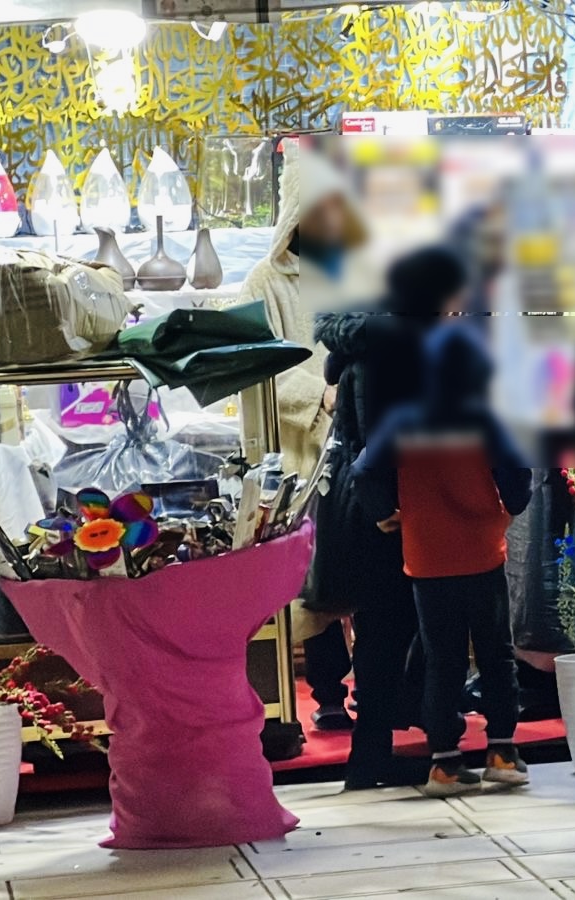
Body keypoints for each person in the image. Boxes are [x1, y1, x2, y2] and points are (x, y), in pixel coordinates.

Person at [353, 324, 533, 797]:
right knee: (495, 654)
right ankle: (502, 752)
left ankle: (445, 764)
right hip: (481, 550)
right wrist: (511, 508)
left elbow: (363, 471)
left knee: (442, 659)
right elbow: (516, 472)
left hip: (427, 557)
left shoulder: (404, 417)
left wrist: (385, 513)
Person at [315, 245, 467, 789]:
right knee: (420, 626)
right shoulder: (410, 340)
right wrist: (388, 503)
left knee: (383, 628)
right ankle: (418, 745)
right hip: (402, 503)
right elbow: (386, 434)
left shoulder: (364, 339)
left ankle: (372, 753)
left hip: (372, 500)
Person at [241, 142, 368, 732]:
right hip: (296, 453)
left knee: (362, 572)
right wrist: (321, 395)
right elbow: (257, 363)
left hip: (359, 447)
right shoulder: (263, 283)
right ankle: (327, 692)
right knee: (310, 581)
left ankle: (379, 688)